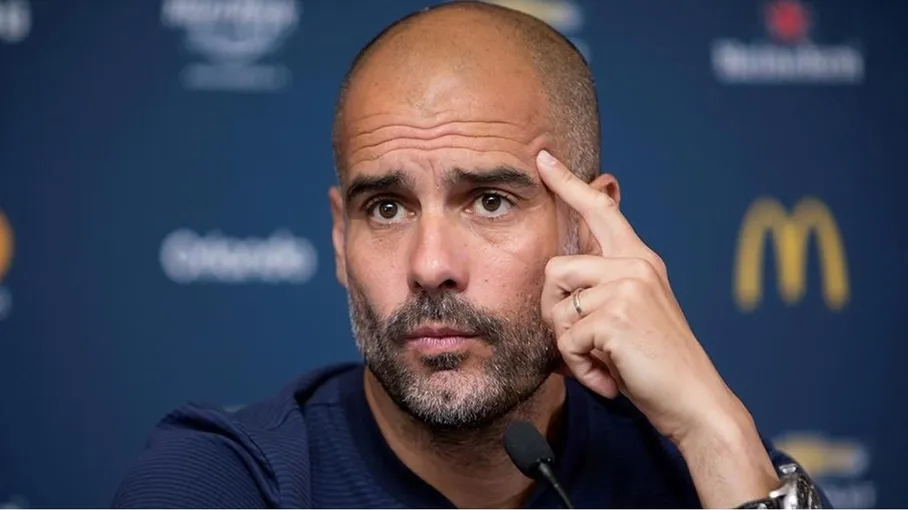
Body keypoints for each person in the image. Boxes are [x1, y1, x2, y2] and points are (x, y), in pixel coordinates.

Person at [113, 2, 830, 508]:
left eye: (489, 201)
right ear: (339, 239)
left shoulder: (707, 471)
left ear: (590, 227)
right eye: (386, 208)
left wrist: (714, 431)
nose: (430, 265)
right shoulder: (227, 481)